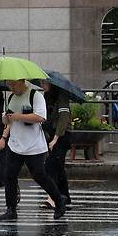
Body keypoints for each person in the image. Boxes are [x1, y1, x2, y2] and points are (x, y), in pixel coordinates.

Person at [0, 79, 67, 221]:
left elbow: (41, 117)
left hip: (34, 146)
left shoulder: (35, 96)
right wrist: (5, 118)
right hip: (15, 144)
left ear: (22, 81)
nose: (11, 87)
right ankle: (11, 209)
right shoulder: (10, 97)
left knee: (39, 176)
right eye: (9, 85)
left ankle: (59, 200)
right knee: (9, 176)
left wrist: (18, 116)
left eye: (14, 84)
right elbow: (7, 122)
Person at [40, 80, 72, 210]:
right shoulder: (47, 96)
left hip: (61, 135)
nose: (42, 86)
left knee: (52, 166)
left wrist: (56, 138)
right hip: (51, 134)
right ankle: (64, 196)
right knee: (58, 167)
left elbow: (64, 118)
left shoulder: (62, 96)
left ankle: (53, 197)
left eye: (44, 83)